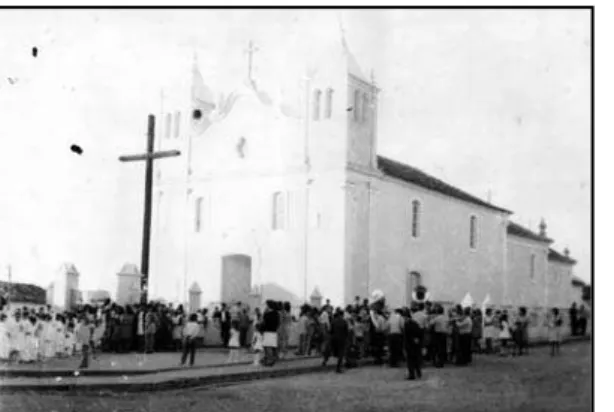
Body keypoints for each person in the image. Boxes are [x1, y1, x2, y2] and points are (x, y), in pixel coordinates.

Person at [323, 309, 349, 373]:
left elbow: (330, 331)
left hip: (333, 338)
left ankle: (325, 360)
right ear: (342, 315)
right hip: (341, 339)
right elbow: (346, 332)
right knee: (341, 353)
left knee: (329, 350)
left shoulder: (333, 321)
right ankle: (338, 368)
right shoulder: (344, 321)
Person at [403, 309, 423, 380]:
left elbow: (407, 336)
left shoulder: (407, 324)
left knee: (410, 361)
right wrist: (417, 340)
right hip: (415, 345)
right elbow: (420, 333)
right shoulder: (415, 323)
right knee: (415, 359)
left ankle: (412, 375)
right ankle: (418, 373)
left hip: (410, 345)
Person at [262, 300, 280, 366]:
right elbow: (278, 323)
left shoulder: (267, 314)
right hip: (273, 331)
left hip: (268, 331)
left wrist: (264, 312)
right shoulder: (276, 314)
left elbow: (263, 322)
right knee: (270, 346)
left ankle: (270, 360)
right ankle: (269, 359)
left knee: (267, 346)